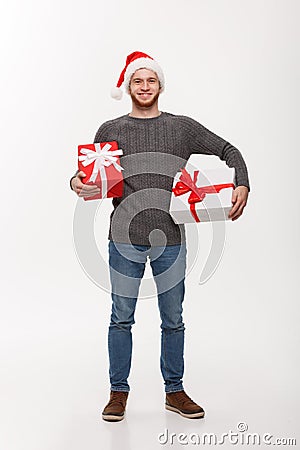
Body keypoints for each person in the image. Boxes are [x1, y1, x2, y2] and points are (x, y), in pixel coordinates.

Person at [70, 51, 250, 422]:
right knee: (121, 317)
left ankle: (175, 391)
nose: (145, 86)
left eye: (151, 80)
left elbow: (228, 150)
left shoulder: (181, 128)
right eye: (138, 80)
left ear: (161, 85)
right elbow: (87, 176)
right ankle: (118, 392)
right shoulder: (111, 129)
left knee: (173, 317)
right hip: (124, 236)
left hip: (171, 239)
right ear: (128, 86)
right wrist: (75, 182)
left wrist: (242, 183)